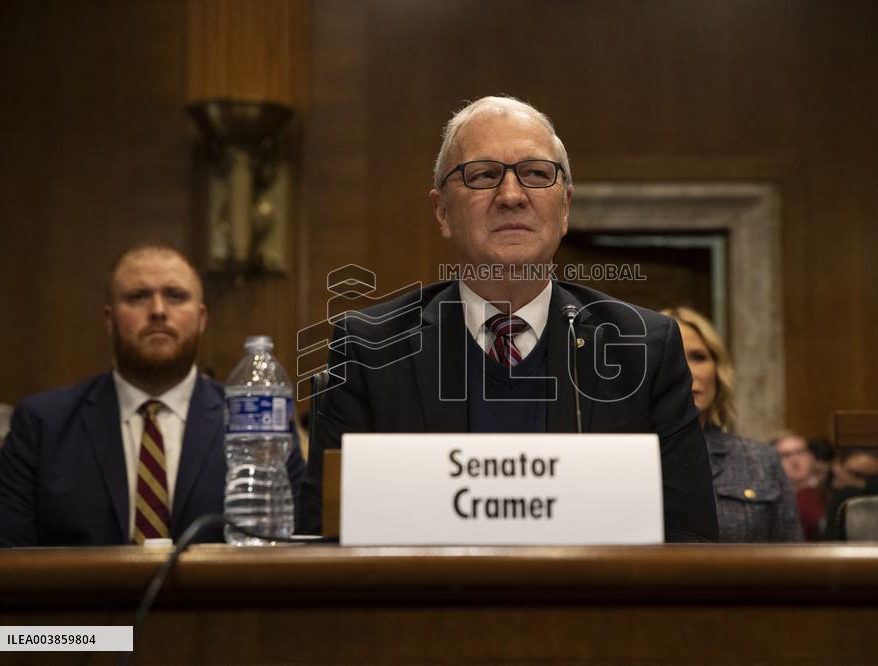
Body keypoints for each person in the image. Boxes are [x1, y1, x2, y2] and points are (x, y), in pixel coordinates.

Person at [305, 95, 718, 542]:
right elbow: (326, 539)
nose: (511, 196)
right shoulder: (369, 347)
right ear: (442, 211)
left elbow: (688, 537)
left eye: (536, 174)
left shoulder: (643, 347)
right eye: (482, 175)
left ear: (565, 208)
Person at [0, 245, 305, 547]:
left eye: (175, 296)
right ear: (109, 320)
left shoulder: (256, 421)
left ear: (201, 319)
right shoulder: (44, 424)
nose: (158, 310)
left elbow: (300, 544)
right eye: (137, 297)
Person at [662, 306, 801, 542]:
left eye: (698, 356)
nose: (686, 370)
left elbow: (794, 563)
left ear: (718, 371)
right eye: (671, 355)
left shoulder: (760, 460)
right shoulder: (617, 459)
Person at [774, 432, 827, 540]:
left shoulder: (828, 492)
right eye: (785, 455)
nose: (795, 460)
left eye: (800, 452)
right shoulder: (772, 501)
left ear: (812, 457)